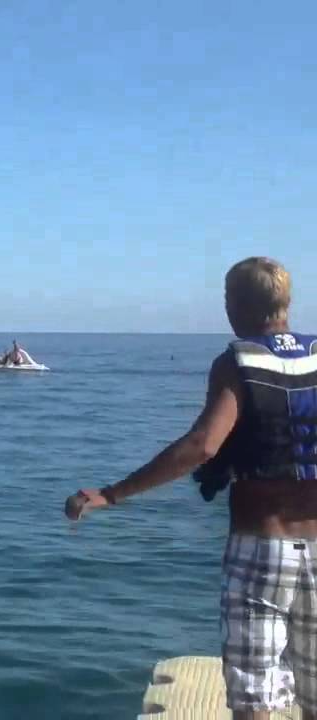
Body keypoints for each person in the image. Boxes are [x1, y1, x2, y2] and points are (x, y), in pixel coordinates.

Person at [65, 257, 317, 720]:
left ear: (237, 304)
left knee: (255, 697)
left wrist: (112, 493)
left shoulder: (236, 362)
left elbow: (203, 445)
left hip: (262, 549)